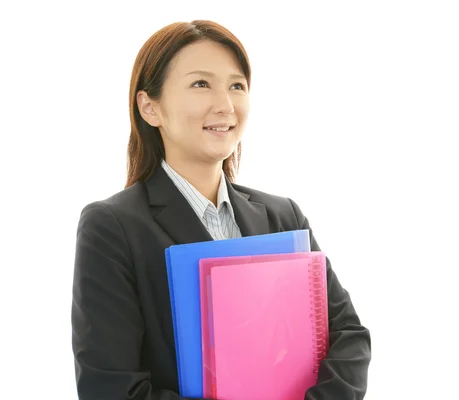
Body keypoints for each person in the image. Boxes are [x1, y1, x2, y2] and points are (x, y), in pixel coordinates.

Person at [71, 20, 371, 400]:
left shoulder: (283, 217)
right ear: (150, 107)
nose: (226, 105)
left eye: (236, 86)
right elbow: (110, 388)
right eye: (201, 84)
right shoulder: (112, 226)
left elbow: (348, 336)